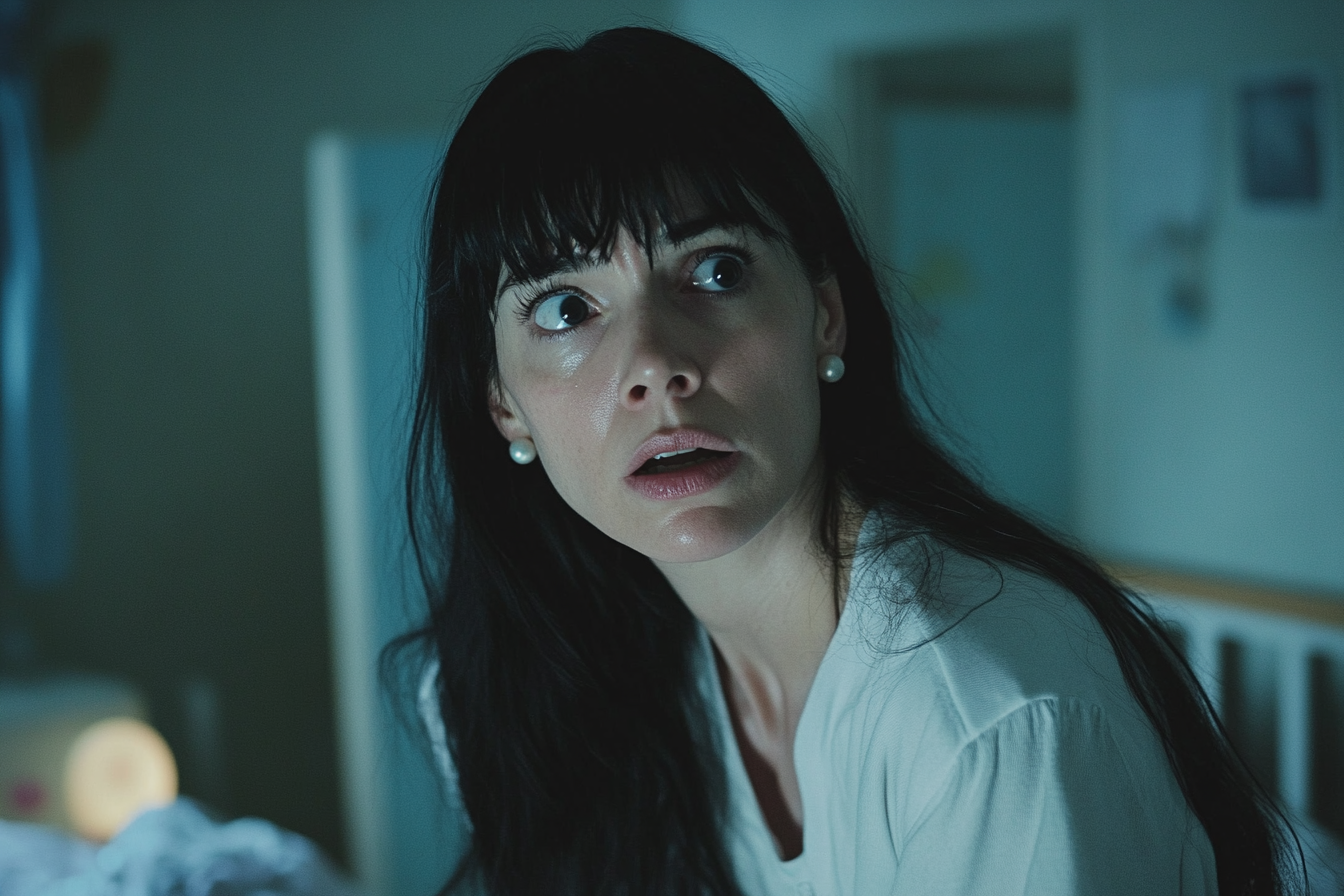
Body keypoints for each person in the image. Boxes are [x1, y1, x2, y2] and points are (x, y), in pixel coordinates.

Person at [405, 25, 1300, 896]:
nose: (654, 366)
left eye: (715, 271)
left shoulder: (988, 720)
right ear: (501, 402)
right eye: (565, 310)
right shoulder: (527, 696)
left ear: (824, 316)